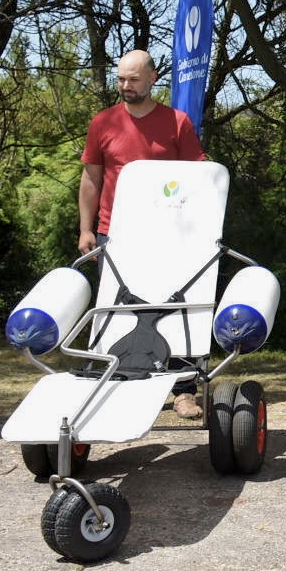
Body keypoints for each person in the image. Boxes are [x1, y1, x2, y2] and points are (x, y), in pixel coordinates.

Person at [78, 50, 206, 418]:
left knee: (175, 309)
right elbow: (91, 179)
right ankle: (116, 385)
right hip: (115, 236)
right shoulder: (103, 122)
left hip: (171, 236)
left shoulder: (176, 122)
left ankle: (183, 390)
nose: (125, 86)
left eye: (133, 79)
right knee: (117, 311)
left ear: (152, 79)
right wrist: (86, 229)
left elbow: (199, 179)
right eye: (120, 79)